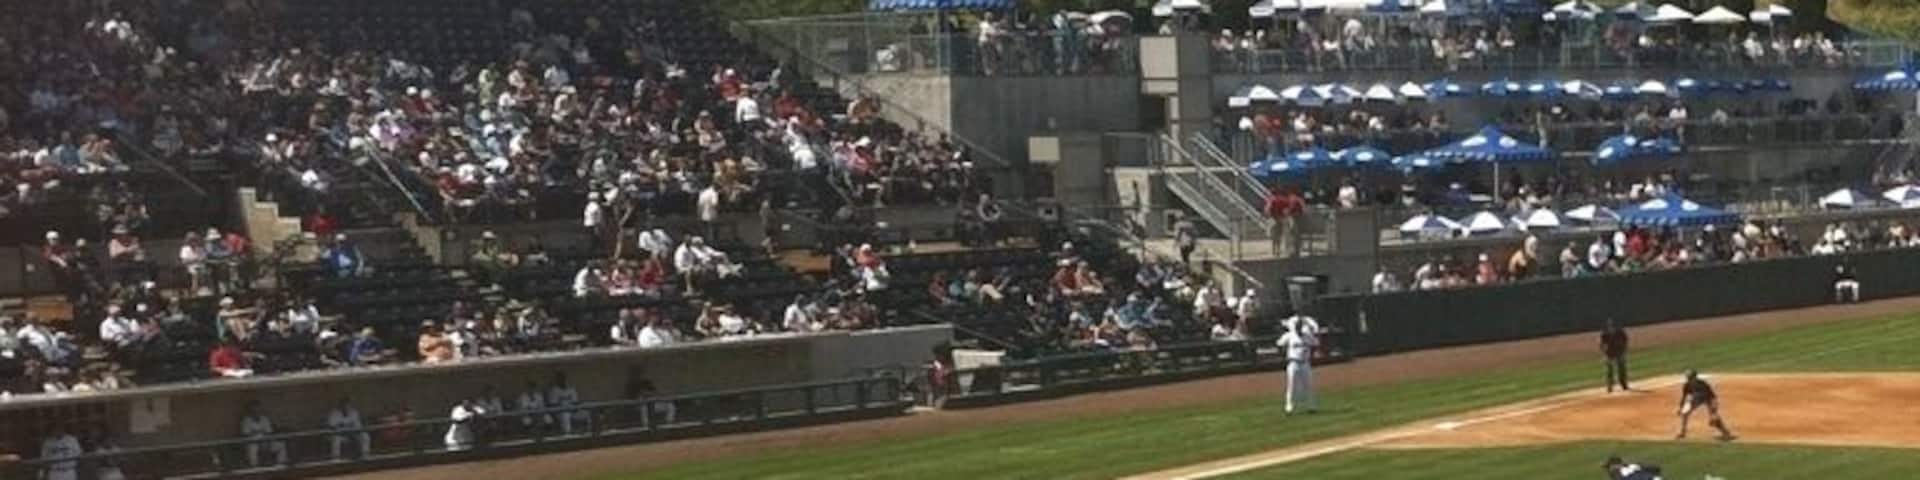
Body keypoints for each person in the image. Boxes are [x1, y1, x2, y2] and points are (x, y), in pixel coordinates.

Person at [1675, 369, 1736, 440]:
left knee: (1714, 419)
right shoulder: (1687, 385)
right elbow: (1684, 397)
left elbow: (1711, 397)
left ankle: (1725, 432)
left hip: (1709, 399)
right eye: (1688, 377)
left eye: (1690, 377)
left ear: (1695, 377)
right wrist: (1681, 407)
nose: (1688, 379)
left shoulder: (1702, 384)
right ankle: (1682, 432)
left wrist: (1713, 412)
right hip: (1697, 399)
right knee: (1684, 413)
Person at [1275, 323, 1318, 414]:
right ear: (1295, 328)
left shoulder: (1308, 336)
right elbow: (1279, 344)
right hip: (1293, 363)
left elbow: (1316, 343)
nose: (1298, 329)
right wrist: (1283, 355)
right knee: (1292, 386)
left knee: (1308, 385)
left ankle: (1311, 406)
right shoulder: (1290, 335)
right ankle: (1289, 406)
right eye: (1297, 328)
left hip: (1305, 363)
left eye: (1300, 327)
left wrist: (1312, 354)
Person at [240, 400, 288, 466]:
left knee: (280, 445)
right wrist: (259, 436)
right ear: (250, 411)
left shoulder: (265, 419)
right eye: (254, 410)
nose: (256, 412)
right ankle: (255, 467)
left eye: (258, 410)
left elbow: (269, 433)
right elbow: (246, 435)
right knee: (252, 449)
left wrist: (265, 441)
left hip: (266, 442)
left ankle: (281, 464)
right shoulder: (246, 421)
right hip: (253, 443)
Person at [1264, 186, 1304, 257]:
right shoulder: (1285, 199)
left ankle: (1275, 251)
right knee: (1284, 235)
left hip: (1274, 219)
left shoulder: (1272, 200)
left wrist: (1268, 215)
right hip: (1283, 219)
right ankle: (1290, 250)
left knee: (1275, 237)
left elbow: (1268, 210)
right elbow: (1288, 209)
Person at [1601, 320, 1631, 393]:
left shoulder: (1620, 332)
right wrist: (1604, 351)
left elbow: (1626, 340)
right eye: (1610, 326)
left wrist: (1624, 349)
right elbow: (1601, 344)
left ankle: (1623, 384)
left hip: (1619, 352)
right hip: (1610, 353)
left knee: (1622, 368)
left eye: (1613, 325)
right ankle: (1610, 386)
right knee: (1609, 370)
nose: (1612, 327)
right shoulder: (1605, 334)